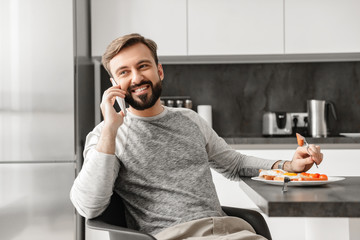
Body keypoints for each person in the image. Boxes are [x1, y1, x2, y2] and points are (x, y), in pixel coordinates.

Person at [70, 33, 323, 240]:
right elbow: (88, 207)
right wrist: (110, 129)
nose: (136, 78)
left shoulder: (188, 119)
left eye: (143, 66)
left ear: (159, 71)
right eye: (124, 72)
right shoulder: (107, 135)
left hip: (231, 231)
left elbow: (233, 164)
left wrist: (287, 166)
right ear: (113, 83)